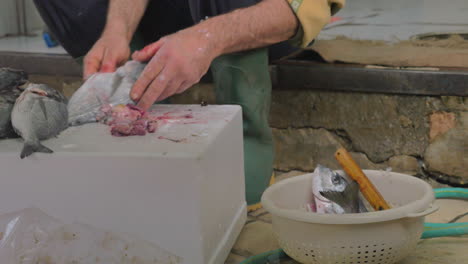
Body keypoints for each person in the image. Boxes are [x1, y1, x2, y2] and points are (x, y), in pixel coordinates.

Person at [33, 0, 345, 211]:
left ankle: (244, 137)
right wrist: (117, 30)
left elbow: (305, 6)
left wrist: (206, 39)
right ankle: (134, 117)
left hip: (260, 18)